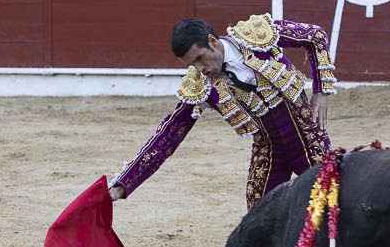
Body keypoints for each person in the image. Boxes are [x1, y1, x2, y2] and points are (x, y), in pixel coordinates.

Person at [108, 14, 335, 213]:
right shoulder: (200, 86)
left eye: (199, 58)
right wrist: (124, 184)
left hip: (306, 135)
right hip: (269, 149)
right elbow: (168, 135)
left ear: (212, 41)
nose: (200, 69)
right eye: (191, 65)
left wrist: (321, 89)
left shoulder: (256, 36)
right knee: (257, 221)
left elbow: (315, 36)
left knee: (335, 203)